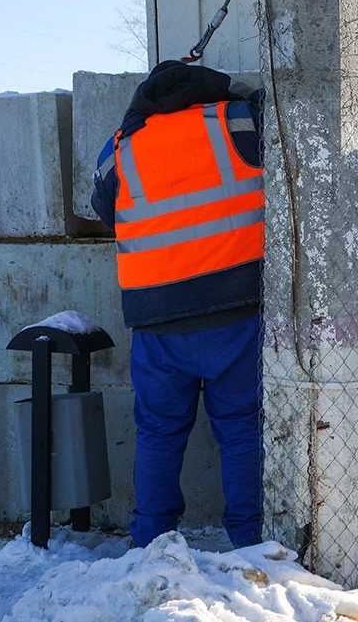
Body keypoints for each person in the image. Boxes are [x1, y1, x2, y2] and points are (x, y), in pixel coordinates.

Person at [91, 60, 265, 549]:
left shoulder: (120, 149)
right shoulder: (238, 121)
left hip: (158, 322)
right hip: (236, 312)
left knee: (159, 434)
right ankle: (251, 542)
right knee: (241, 430)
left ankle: (150, 541)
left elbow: (106, 209)